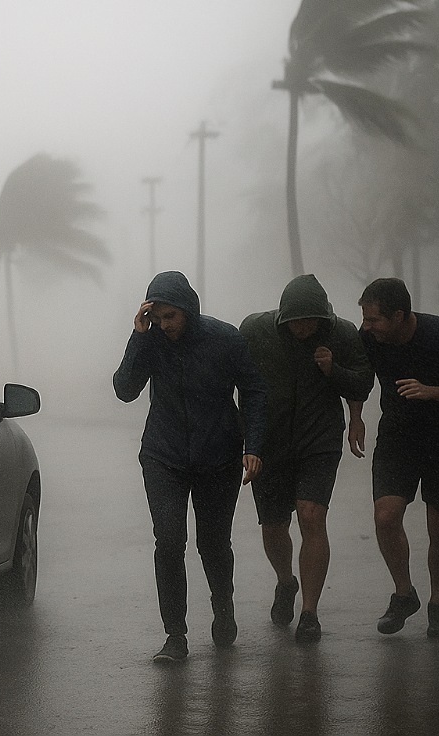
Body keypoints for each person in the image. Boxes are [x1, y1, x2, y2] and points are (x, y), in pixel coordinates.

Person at [113, 270, 267, 662]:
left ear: (188, 311)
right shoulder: (151, 341)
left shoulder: (226, 339)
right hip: (163, 455)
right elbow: (125, 390)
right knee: (168, 541)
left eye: (171, 318)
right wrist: (139, 337)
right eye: (158, 317)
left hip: (218, 455)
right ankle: (175, 635)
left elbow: (253, 391)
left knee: (213, 543)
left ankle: (223, 606)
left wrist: (254, 445)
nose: (165, 325)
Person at [239, 274, 373, 644]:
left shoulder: (343, 334)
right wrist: (243, 437)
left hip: (319, 440)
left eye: (310, 321)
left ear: (324, 318)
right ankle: (286, 582)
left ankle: (310, 613)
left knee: (311, 516)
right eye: (295, 322)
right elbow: (237, 380)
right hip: (270, 442)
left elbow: (362, 383)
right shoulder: (255, 331)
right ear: (282, 318)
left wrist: (334, 372)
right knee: (274, 525)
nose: (303, 328)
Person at [357, 278, 439, 638]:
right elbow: (358, 378)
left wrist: (430, 391)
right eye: (364, 319)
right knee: (385, 516)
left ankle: (438, 605)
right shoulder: (370, 337)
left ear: (399, 316)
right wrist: (355, 417)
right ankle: (404, 594)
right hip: (399, 438)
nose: (367, 327)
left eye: (374, 320)